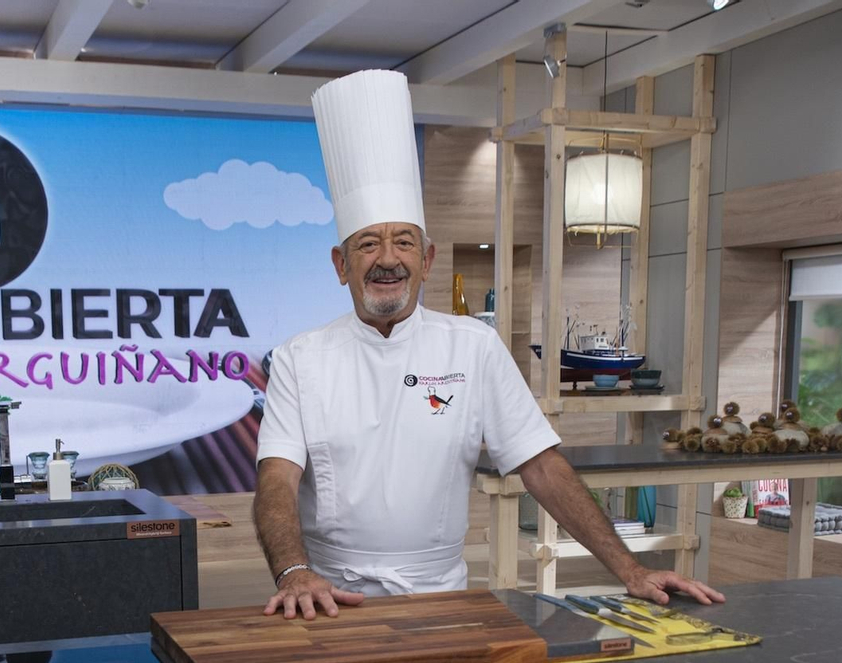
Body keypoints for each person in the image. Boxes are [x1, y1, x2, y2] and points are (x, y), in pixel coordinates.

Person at [253, 69, 723, 620]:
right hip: (328, 598)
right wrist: (293, 571)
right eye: (367, 244)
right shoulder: (299, 359)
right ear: (341, 265)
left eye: (403, 242)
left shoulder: (473, 347)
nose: (387, 258)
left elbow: (542, 466)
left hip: (440, 598)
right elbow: (276, 481)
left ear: (426, 261)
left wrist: (632, 569)